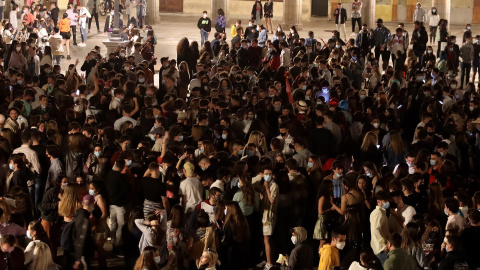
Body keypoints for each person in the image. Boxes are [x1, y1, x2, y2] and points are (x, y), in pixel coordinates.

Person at [370, 190, 391, 265]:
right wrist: (383, 245)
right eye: (385, 200)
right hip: (381, 249)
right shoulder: (378, 213)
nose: (387, 202)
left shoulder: (382, 212)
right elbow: (375, 230)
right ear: (379, 201)